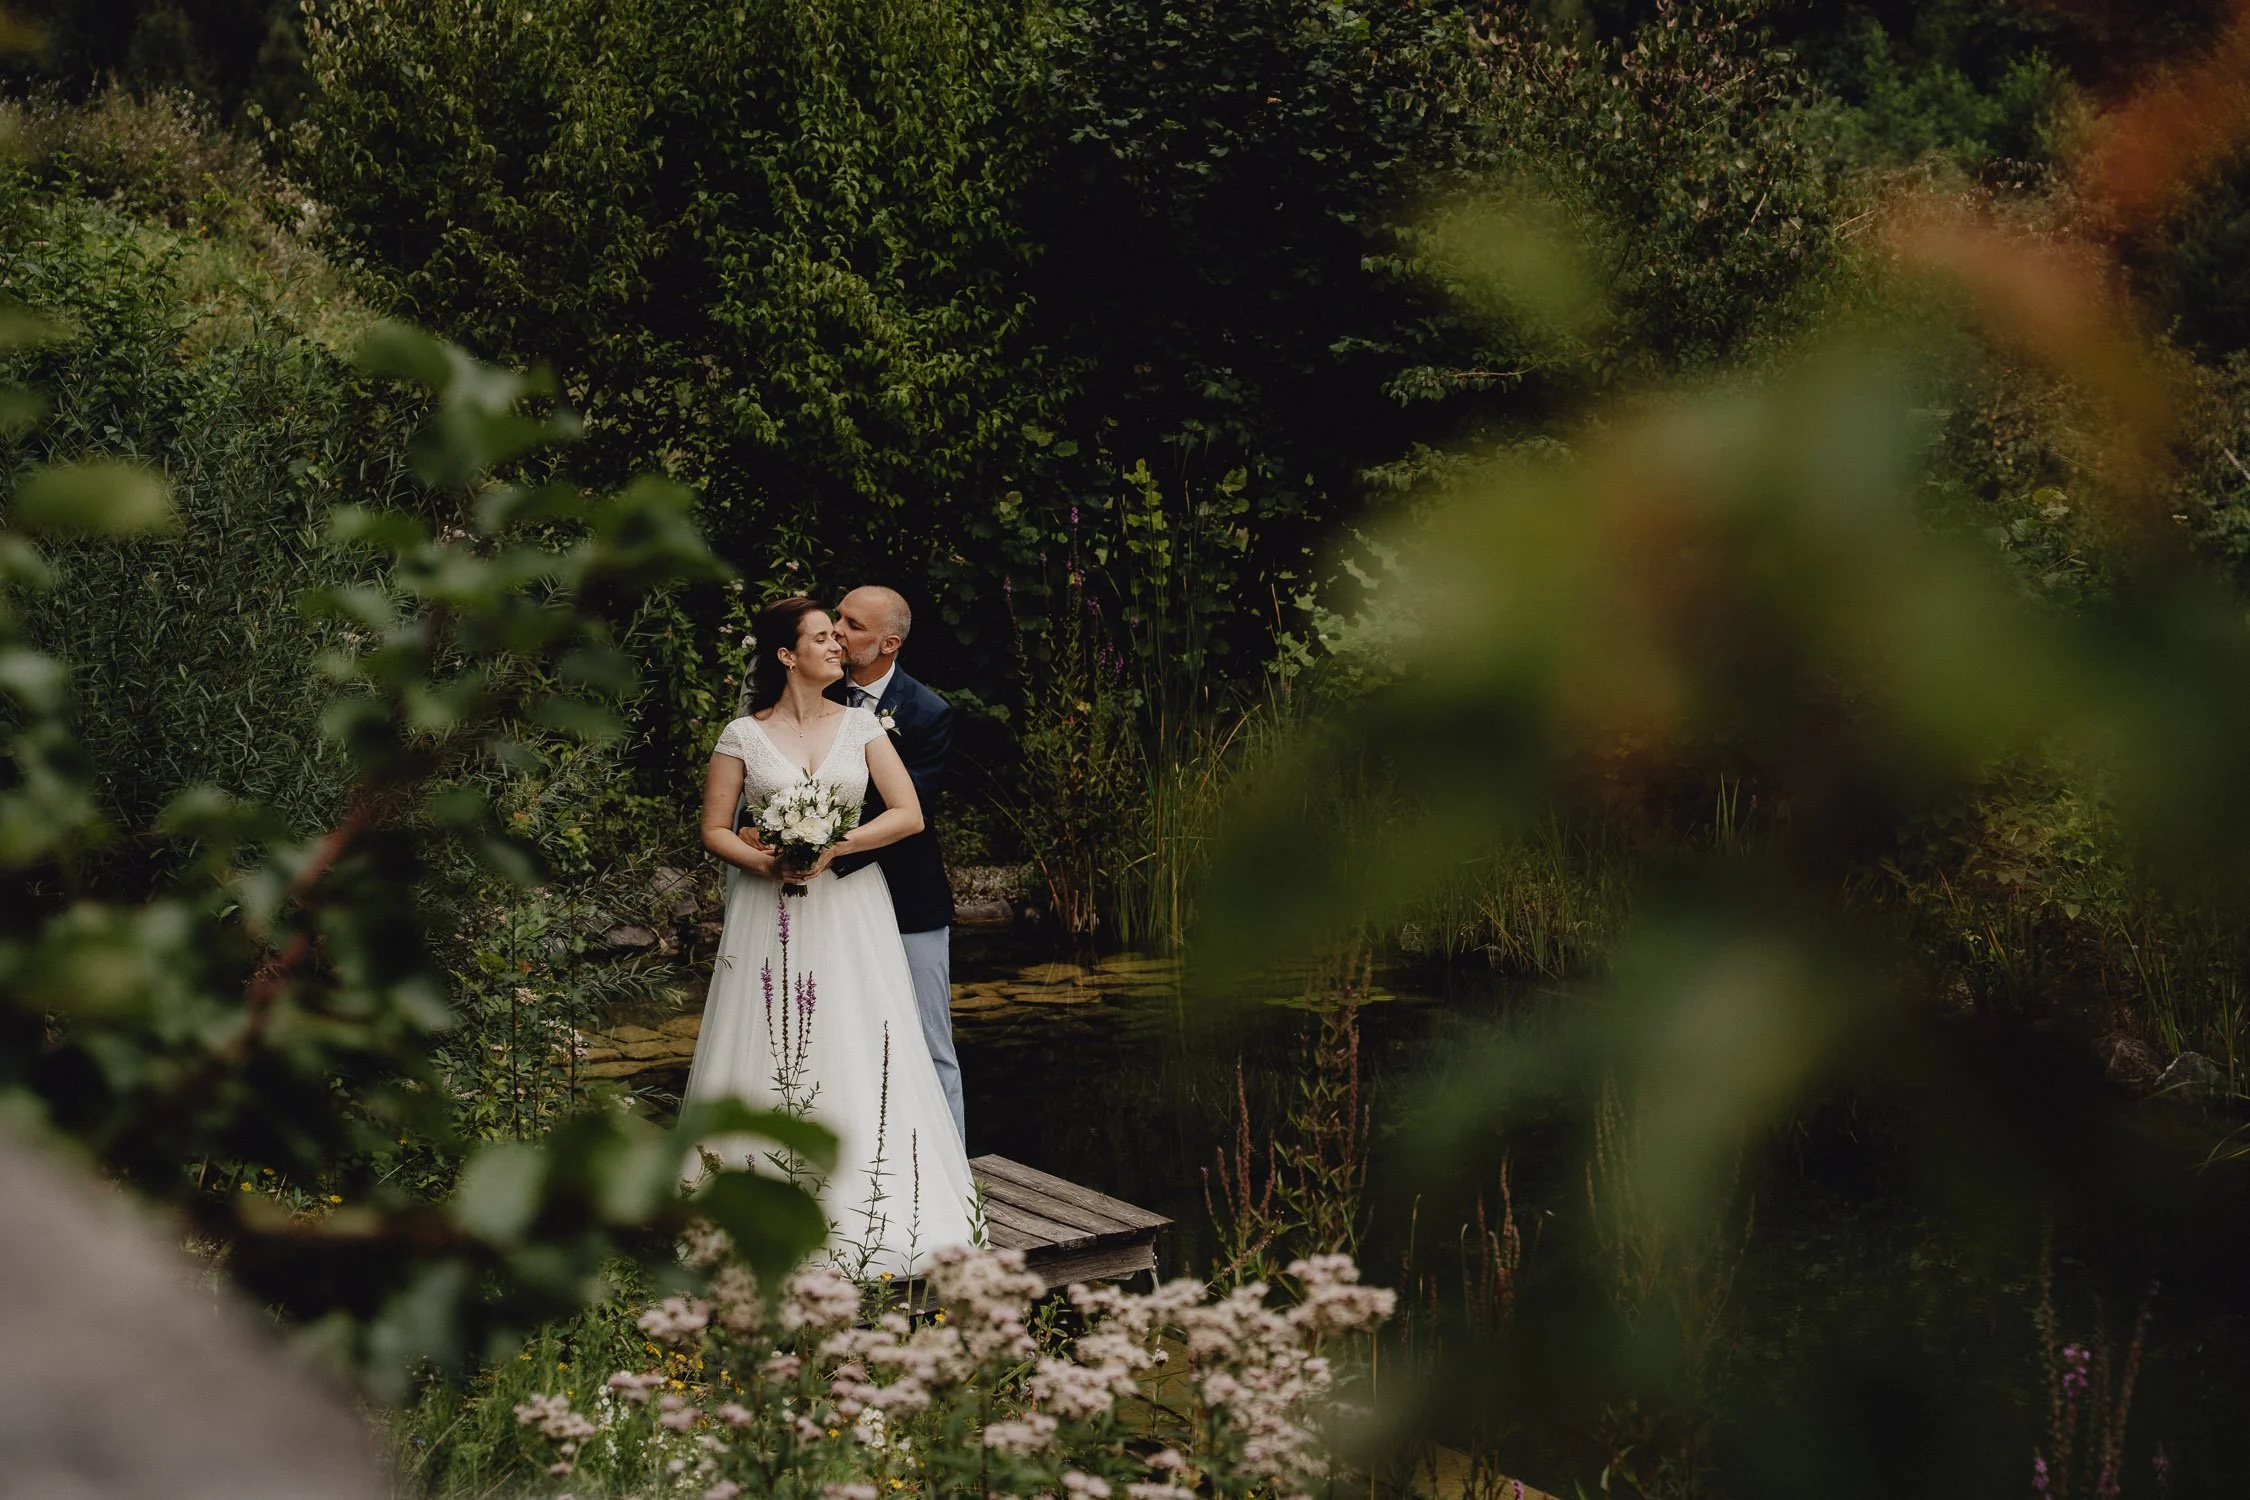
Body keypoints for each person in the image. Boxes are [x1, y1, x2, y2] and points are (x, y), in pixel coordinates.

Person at [681, 595, 977, 1275]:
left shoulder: (863, 727)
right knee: (766, 1034)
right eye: (822, 636)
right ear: (787, 656)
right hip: (769, 908)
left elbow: (906, 815)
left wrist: (832, 845)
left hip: (850, 908)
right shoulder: (741, 735)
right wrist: (767, 859)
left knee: (859, 1033)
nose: (836, 644)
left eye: (839, 635)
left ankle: (866, 1202)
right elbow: (714, 829)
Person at [826, 586, 964, 1144]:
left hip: (907, 896)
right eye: (835, 618)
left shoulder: (928, 713)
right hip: (824, 899)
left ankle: (955, 1172)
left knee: (931, 1041)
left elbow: (910, 812)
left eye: (851, 624)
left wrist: (820, 843)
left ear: (889, 643)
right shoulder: (813, 694)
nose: (836, 630)